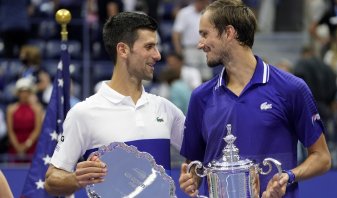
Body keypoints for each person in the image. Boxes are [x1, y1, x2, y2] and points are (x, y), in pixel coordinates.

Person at [179, 1, 331, 197]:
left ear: (229, 33)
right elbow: (194, 164)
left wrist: (288, 176)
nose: (200, 44)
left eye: (205, 34)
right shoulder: (201, 97)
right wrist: (190, 179)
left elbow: (322, 157)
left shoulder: (291, 88)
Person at [44, 12, 185, 196]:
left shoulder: (166, 109)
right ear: (123, 50)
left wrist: (193, 175)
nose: (157, 55)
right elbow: (51, 180)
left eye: (156, 47)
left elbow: (203, 153)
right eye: (149, 47)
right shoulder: (83, 113)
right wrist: (75, 178)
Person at [172, 0, 212, 81]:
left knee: (207, 76)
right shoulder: (184, 13)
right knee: (190, 77)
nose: (200, 4)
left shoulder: (210, 13)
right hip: (190, 49)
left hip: (206, 48)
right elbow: (176, 33)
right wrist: (179, 51)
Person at [6, 77, 43, 163]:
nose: (24, 94)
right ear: (18, 93)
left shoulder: (37, 109)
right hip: (15, 147)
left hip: (32, 147)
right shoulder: (11, 109)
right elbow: (10, 131)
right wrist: (17, 147)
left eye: (26, 91)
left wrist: (26, 145)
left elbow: (37, 130)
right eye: (22, 91)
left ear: (30, 93)